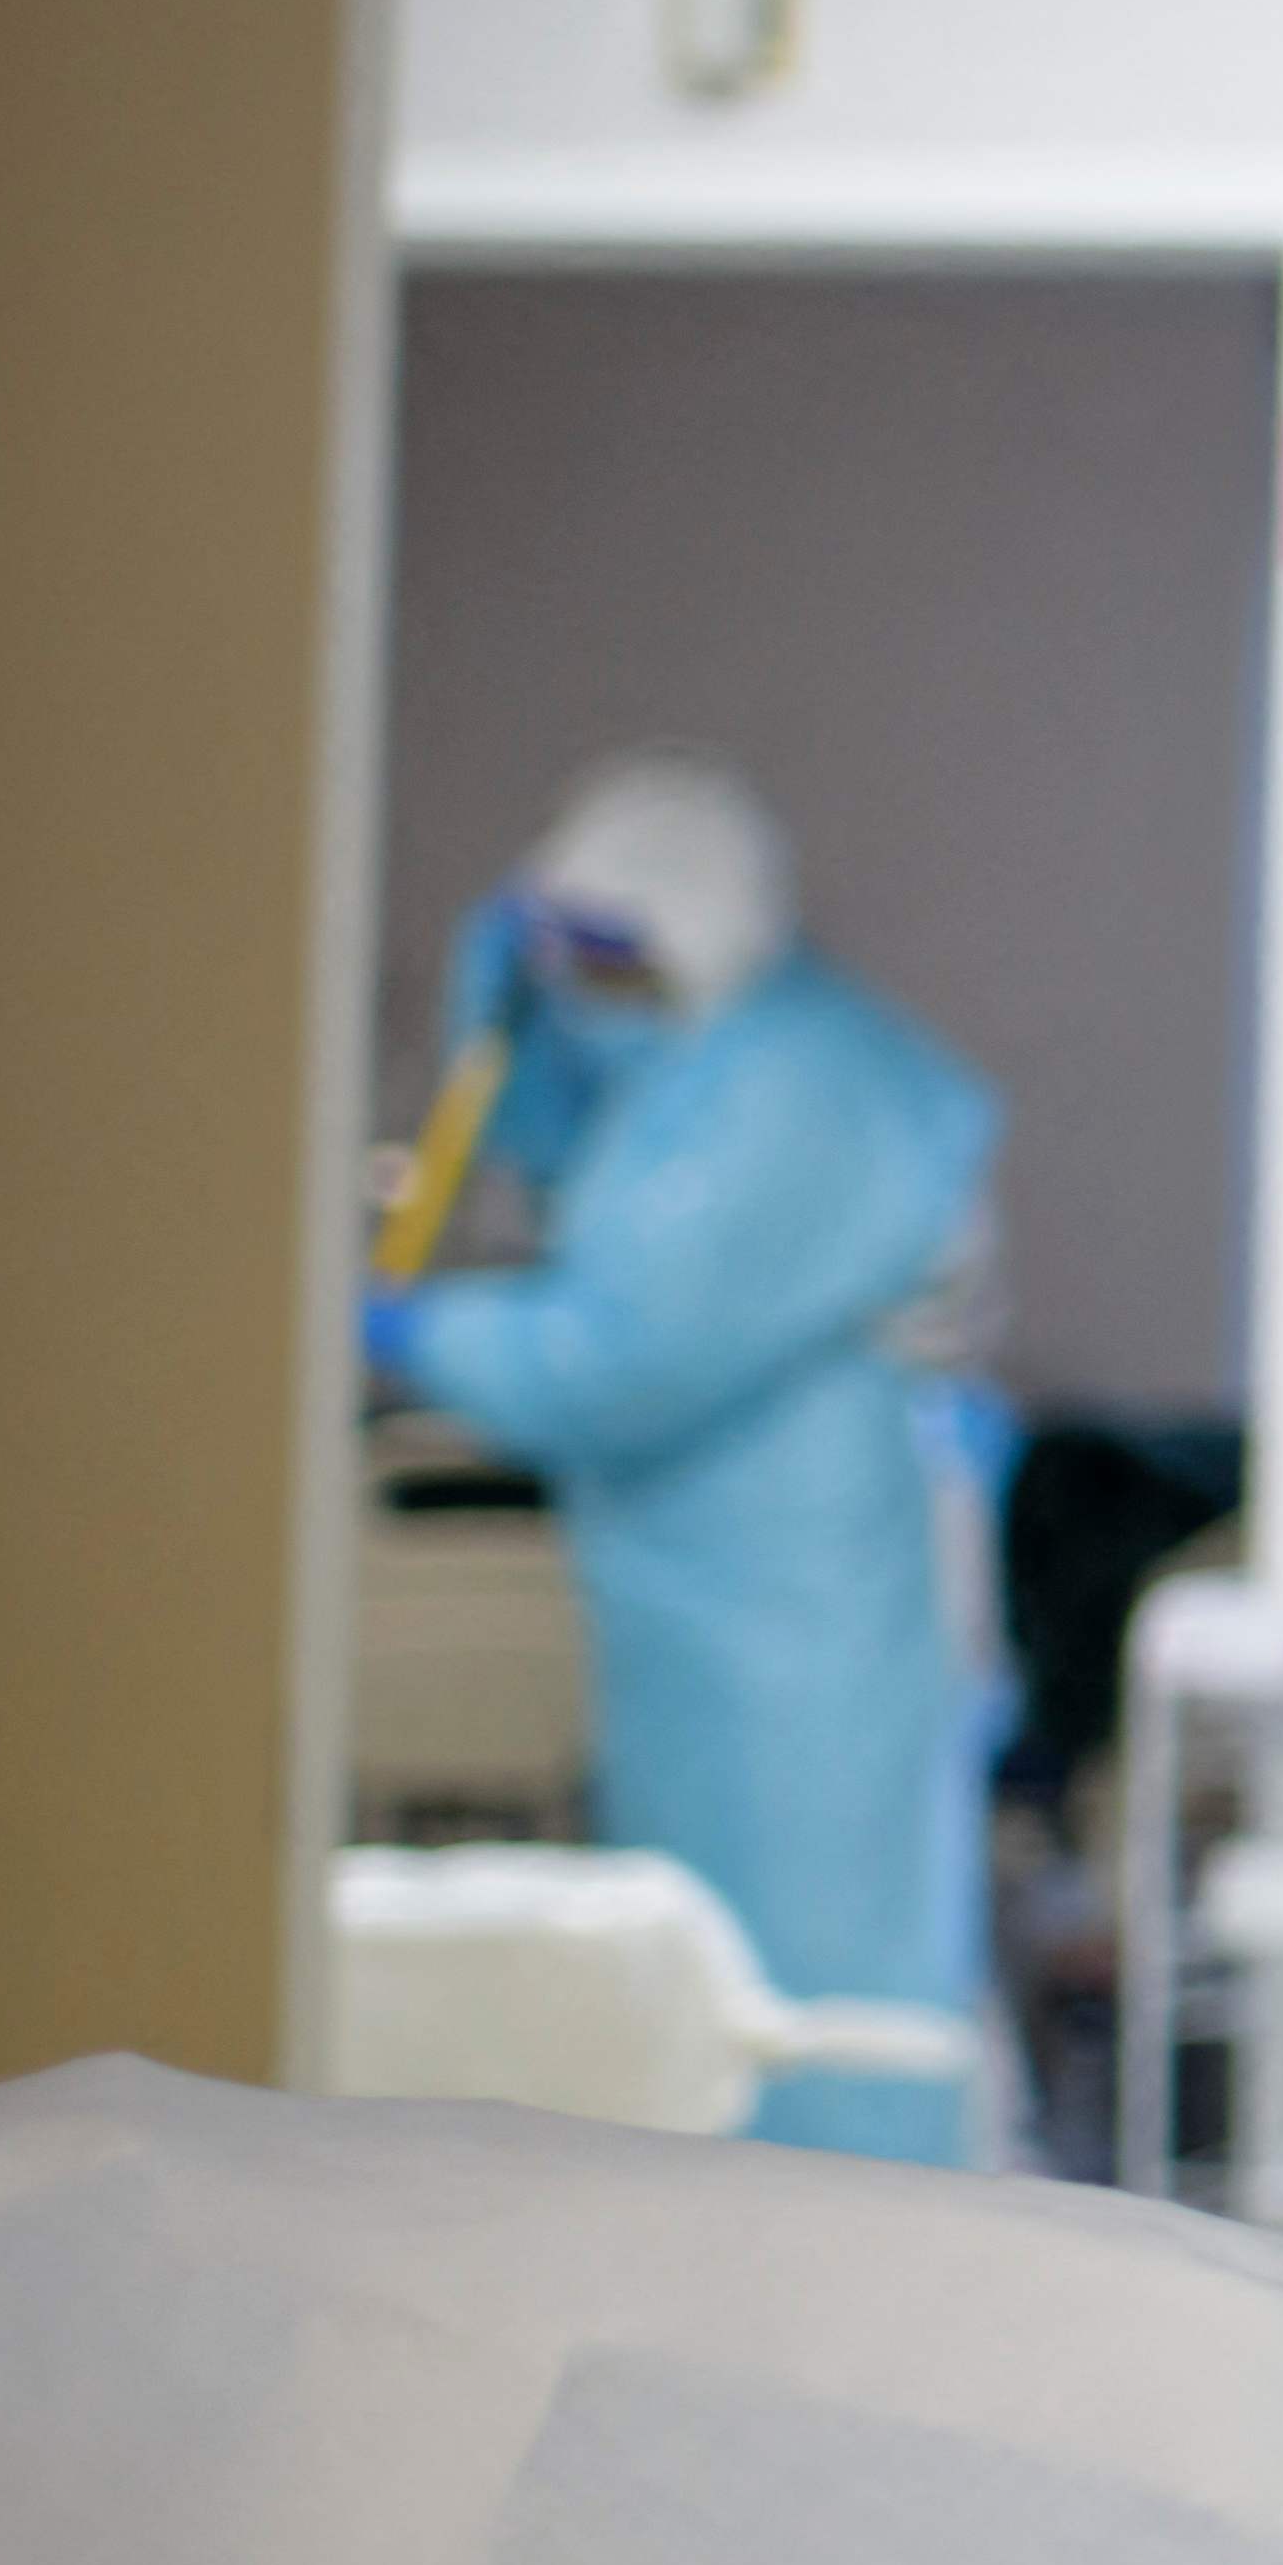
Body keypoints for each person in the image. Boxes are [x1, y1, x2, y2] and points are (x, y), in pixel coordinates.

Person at [370, 751, 1009, 2050]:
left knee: (811, 2001)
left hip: (801, 1605)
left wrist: (399, 1325)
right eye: (559, 953)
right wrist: (497, 1028)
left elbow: (621, 1356)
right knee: (704, 1997)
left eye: (607, 957)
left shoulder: (794, 1089)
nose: (583, 987)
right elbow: (552, 1156)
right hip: (720, 1595)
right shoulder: (693, 1067)